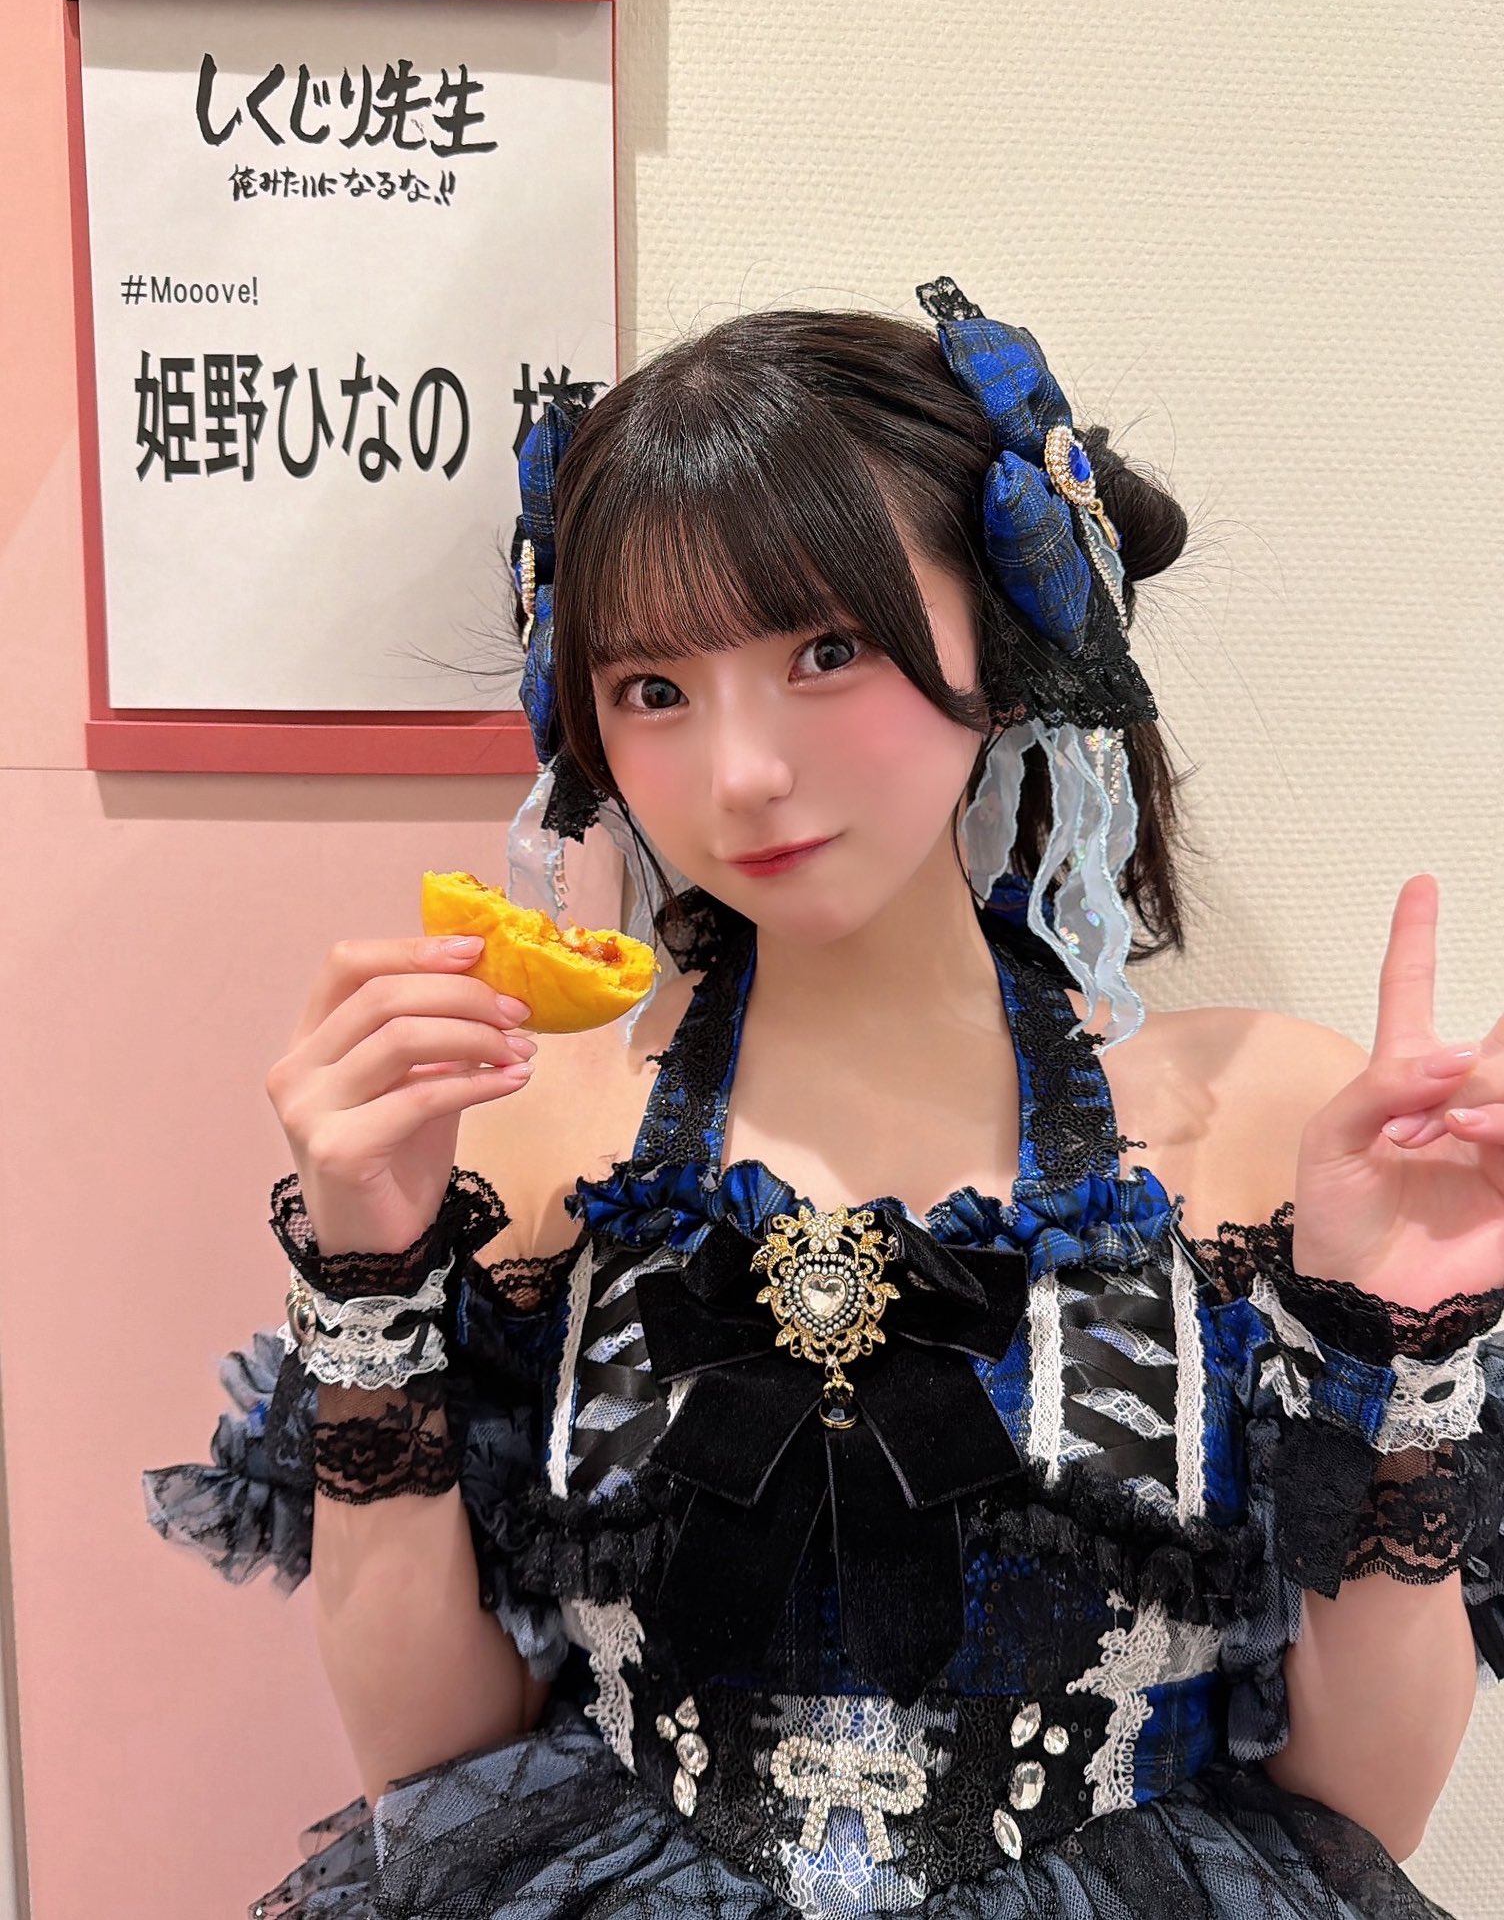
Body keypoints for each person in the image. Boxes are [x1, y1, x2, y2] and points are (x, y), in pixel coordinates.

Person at [145, 281, 1504, 1920]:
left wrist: (1404, 1349)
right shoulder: (529, 1130)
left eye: (827, 649)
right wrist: (369, 1276)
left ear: (1004, 641)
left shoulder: (1268, 1120)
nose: (740, 773)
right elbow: (434, 1777)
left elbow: (1359, 1819)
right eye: (653, 688)